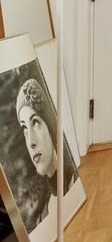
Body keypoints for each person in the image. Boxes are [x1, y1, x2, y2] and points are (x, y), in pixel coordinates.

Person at [16, 78, 75, 226]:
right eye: (24, 128)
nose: (31, 142)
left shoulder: (74, 183)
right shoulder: (42, 218)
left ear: (49, 126)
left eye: (35, 122)